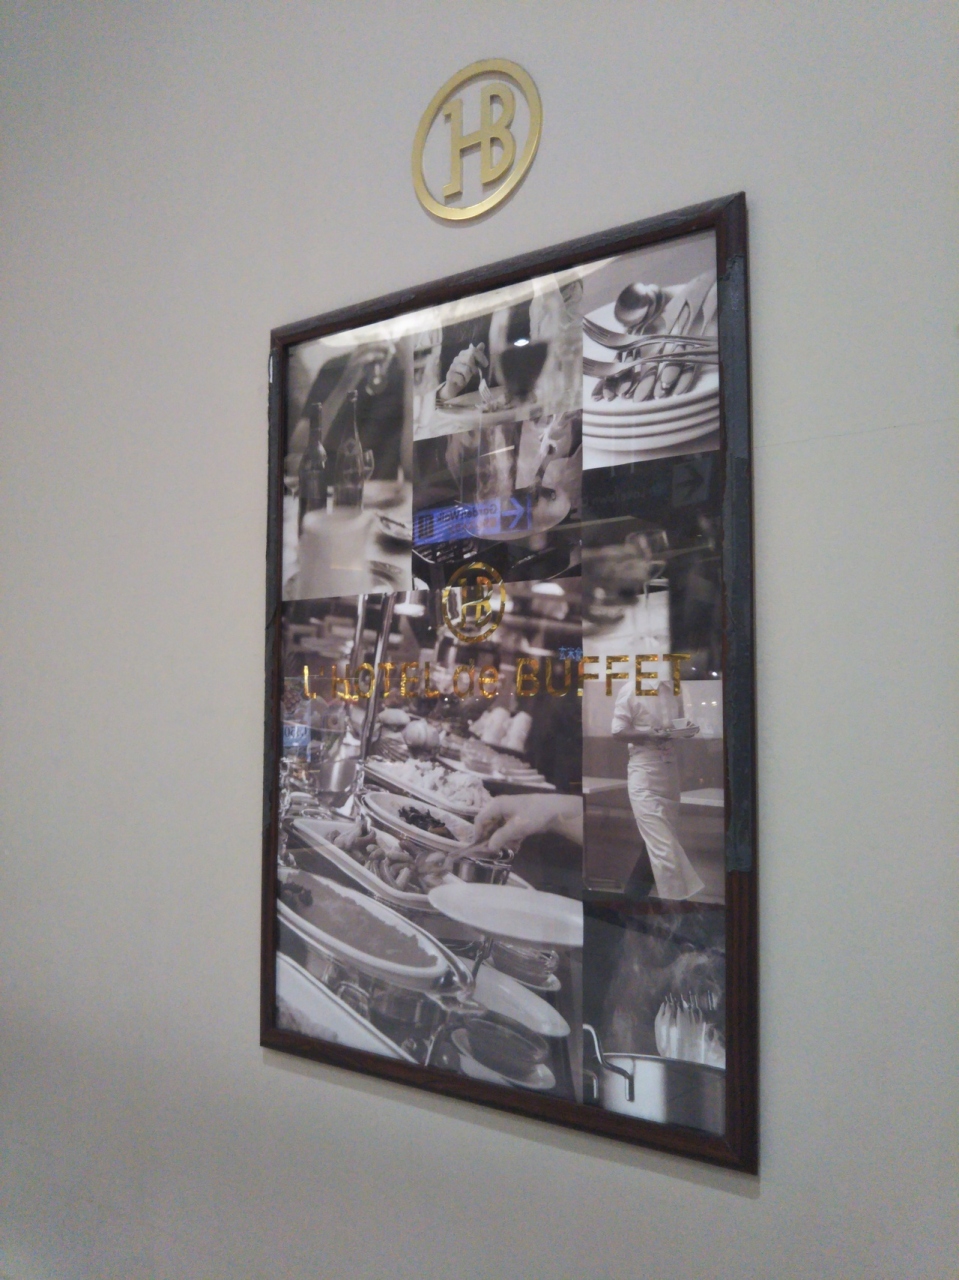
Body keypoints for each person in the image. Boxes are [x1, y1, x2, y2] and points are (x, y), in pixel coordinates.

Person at [610, 661, 705, 902]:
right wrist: (647, 734)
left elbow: (680, 723)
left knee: (657, 846)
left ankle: (630, 905)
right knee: (664, 849)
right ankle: (677, 910)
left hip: (669, 772)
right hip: (644, 770)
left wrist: (686, 729)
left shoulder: (676, 689)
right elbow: (617, 731)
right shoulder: (632, 689)